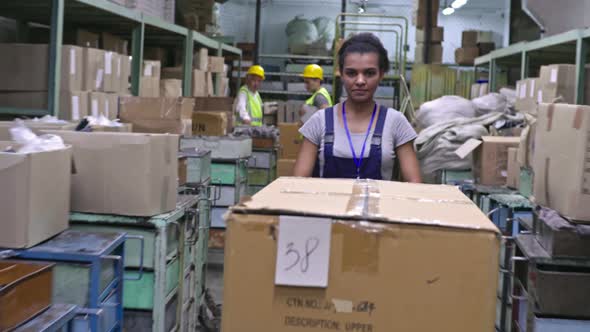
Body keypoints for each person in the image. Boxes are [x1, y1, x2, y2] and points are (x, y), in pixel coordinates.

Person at [293, 33, 421, 182]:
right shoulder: (319, 122)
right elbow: (296, 184)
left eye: (369, 73)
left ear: (381, 75)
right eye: (351, 73)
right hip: (328, 206)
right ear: (341, 74)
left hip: (379, 205)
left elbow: (415, 186)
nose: (360, 81)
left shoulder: (396, 122)